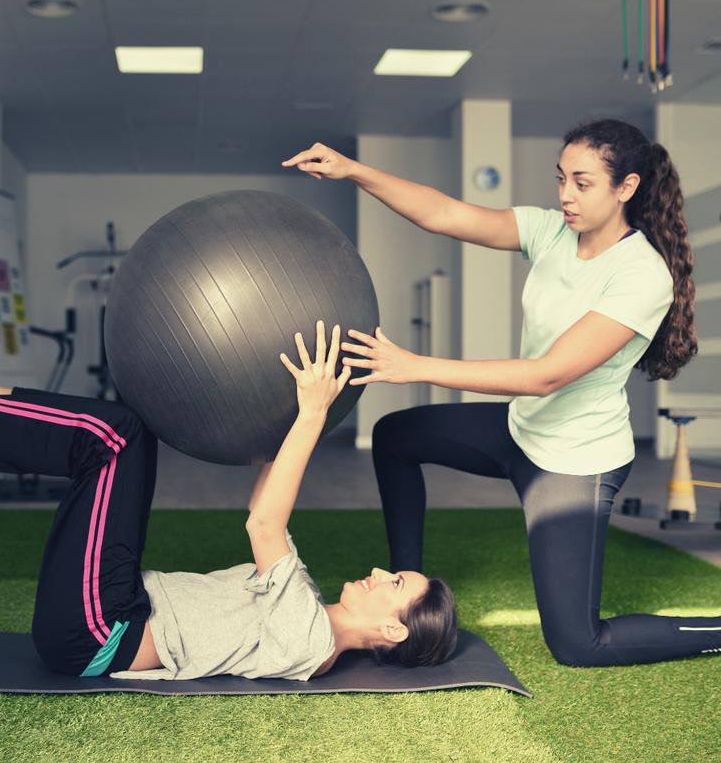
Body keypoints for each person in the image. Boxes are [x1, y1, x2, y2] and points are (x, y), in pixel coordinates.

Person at [282, 119, 721, 667]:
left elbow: (547, 375)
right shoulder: (551, 231)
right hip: (520, 429)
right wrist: (352, 170)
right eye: (561, 178)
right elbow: (443, 214)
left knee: (578, 644)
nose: (565, 195)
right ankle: (405, 592)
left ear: (625, 187)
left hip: (574, 461)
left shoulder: (642, 275)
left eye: (582, 183)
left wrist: (415, 366)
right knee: (395, 437)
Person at [0, 321, 457, 680]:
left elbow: (264, 526)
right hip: (115, 605)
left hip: (97, 630)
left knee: (115, 438)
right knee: (127, 434)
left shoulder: (312, 642)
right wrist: (279, 417)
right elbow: (262, 503)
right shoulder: (308, 606)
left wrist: (313, 415)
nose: (379, 571)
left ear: (393, 630)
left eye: (395, 584)